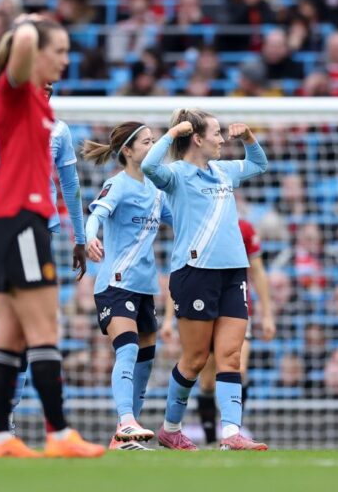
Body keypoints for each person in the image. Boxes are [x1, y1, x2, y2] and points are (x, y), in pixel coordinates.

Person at [0, 15, 103, 458]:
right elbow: (25, 36)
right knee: (44, 328)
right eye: (61, 51)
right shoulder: (12, 91)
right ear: (34, 53)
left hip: (5, 225)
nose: (66, 61)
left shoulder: (36, 102)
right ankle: (59, 432)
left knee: (9, 336)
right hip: (20, 222)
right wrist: (29, 26)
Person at [0, 84, 87, 449]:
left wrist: (80, 235)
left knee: (26, 330)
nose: (46, 90)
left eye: (51, 87)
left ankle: (4, 420)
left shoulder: (59, 130)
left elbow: (71, 186)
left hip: (34, 233)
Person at [141, 108, 269, 451]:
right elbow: (148, 167)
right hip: (194, 274)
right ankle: (170, 427)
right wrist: (170, 134)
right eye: (216, 133)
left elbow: (259, 165)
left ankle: (231, 433)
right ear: (196, 138)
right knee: (196, 359)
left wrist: (250, 139)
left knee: (231, 356)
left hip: (233, 273)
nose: (222, 139)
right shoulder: (176, 175)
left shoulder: (224, 171)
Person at [83, 122, 174, 451]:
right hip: (115, 283)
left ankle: (125, 434)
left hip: (145, 286)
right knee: (128, 348)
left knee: (146, 360)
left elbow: (178, 218)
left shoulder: (157, 189)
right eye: (148, 142)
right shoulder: (117, 185)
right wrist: (90, 236)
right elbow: (96, 215)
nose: (154, 147)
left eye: (155, 141)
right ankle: (125, 421)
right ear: (129, 151)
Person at [162, 218, 276, 445]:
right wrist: (167, 320)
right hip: (203, 305)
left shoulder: (243, 228)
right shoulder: (196, 226)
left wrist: (267, 313)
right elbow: (178, 271)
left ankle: (233, 431)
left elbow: (258, 272)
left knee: (237, 365)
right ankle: (208, 437)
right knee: (204, 378)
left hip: (236, 309)